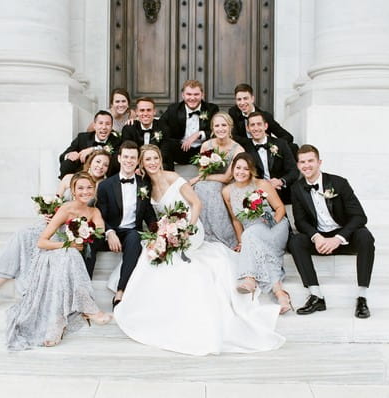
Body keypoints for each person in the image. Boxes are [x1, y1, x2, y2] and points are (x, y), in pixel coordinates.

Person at [113, 145, 285, 356]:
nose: (152, 162)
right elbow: (152, 216)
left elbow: (196, 203)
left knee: (176, 259)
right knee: (152, 258)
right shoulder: (145, 185)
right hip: (169, 228)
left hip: (192, 227)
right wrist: (162, 233)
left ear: (160, 158)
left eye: (155, 158)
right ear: (142, 162)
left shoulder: (174, 177)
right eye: (147, 159)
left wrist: (188, 228)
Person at [0, 152, 111, 309]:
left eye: (105, 164)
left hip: (67, 229)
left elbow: (97, 221)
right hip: (55, 221)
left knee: (25, 249)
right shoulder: (69, 178)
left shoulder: (103, 186)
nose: (101, 166)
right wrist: (49, 211)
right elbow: (57, 199)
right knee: (23, 235)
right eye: (98, 161)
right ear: (90, 162)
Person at [6, 172, 112, 350]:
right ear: (72, 190)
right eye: (80, 188)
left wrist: (87, 234)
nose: (85, 191)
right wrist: (68, 244)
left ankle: (60, 318)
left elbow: (99, 233)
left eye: (89, 188)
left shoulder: (94, 212)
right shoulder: (66, 209)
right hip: (51, 253)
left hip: (69, 257)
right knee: (70, 255)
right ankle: (79, 310)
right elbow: (42, 242)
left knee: (71, 257)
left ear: (94, 189)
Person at [288, 144, 374, 319]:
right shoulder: (296, 189)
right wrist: (316, 237)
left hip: (343, 238)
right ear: (298, 165)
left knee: (365, 236)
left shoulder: (339, 183)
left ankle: (362, 297)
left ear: (319, 162)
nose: (307, 165)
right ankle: (316, 295)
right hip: (319, 240)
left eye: (310, 161)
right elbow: (300, 221)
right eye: (302, 162)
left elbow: (360, 217)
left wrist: (338, 238)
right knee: (295, 241)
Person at [222, 153, 292, 314]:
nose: (241, 172)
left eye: (246, 169)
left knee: (251, 236)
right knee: (254, 241)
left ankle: (250, 278)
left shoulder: (261, 184)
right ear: (232, 170)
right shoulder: (227, 192)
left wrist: (271, 224)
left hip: (274, 225)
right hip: (252, 233)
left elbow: (280, 208)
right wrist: (241, 242)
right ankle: (280, 294)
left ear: (251, 170)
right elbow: (236, 220)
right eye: (238, 168)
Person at [94, 140, 157, 307]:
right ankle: (84, 290)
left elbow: (149, 214)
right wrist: (109, 232)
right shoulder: (106, 185)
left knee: (135, 237)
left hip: (131, 234)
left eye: (133, 158)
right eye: (126, 157)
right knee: (88, 243)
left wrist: (158, 232)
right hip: (111, 232)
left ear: (137, 161)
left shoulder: (144, 184)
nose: (129, 161)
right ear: (120, 158)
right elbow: (99, 215)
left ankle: (120, 292)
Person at [189, 111, 243, 248]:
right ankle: (203, 232)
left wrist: (199, 178)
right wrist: (201, 178)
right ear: (212, 129)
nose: (220, 129)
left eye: (224, 125)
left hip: (229, 184)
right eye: (217, 125)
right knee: (200, 187)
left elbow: (227, 177)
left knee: (209, 188)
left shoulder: (238, 150)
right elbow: (202, 170)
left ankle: (221, 234)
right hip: (208, 182)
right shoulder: (207, 145)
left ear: (230, 127)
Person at [159, 80, 219, 170]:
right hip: (181, 150)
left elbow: (218, 130)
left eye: (196, 94)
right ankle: (169, 176)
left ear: (202, 95)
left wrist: (199, 134)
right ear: (183, 95)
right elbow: (161, 125)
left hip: (203, 150)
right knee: (166, 144)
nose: (192, 98)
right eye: (189, 94)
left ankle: (208, 176)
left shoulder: (211, 109)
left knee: (216, 143)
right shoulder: (173, 109)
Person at [243, 112, 299, 204]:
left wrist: (280, 181)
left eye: (259, 124)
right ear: (248, 128)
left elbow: (294, 171)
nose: (256, 128)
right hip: (256, 193)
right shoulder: (245, 149)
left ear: (265, 126)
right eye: (252, 125)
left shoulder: (281, 144)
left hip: (280, 191)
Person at [228, 83, 296, 153]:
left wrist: (270, 142)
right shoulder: (233, 113)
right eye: (239, 99)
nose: (242, 103)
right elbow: (234, 137)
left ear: (252, 99)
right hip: (245, 150)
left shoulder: (265, 116)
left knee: (293, 147)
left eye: (245, 98)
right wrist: (255, 140)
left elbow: (288, 137)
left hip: (264, 150)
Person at [58, 110, 121, 179]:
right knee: (67, 164)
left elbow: (116, 164)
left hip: (105, 178)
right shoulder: (82, 138)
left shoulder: (117, 141)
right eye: (100, 123)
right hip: (81, 176)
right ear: (94, 126)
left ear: (111, 127)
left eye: (107, 124)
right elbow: (62, 156)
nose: (104, 127)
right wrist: (69, 155)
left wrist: (93, 149)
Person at [120, 97, 171, 170]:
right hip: (136, 166)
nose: (145, 113)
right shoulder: (129, 129)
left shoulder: (163, 127)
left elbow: (164, 153)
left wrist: (149, 166)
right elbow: (128, 153)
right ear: (136, 112)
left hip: (157, 166)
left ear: (154, 112)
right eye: (142, 110)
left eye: (149, 110)